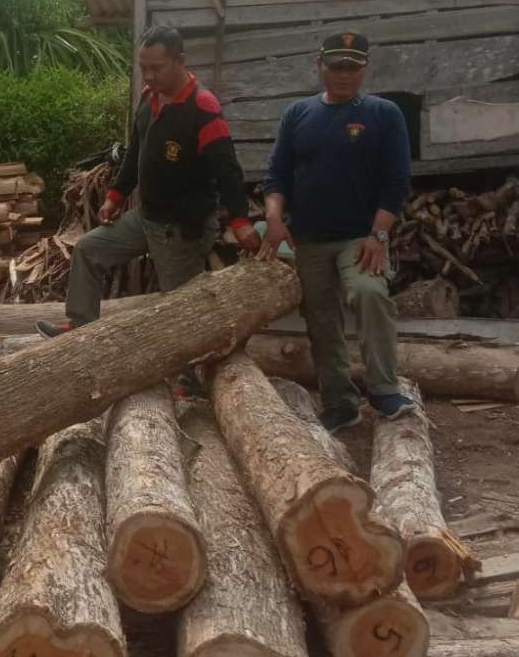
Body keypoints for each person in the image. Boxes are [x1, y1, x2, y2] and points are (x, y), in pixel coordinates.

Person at [36, 25, 260, 343]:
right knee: (88, 249)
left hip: (182, 229)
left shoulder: (202, 109)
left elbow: (227, 170)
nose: (148, 75)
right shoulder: (148, 98)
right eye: (143, 68)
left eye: (156, 68)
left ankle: (192, 375)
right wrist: (115, 195)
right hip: (146, 217)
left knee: (183, 307)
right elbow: (136, 153)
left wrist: (240, 220)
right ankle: (80, 329)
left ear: (180, 61)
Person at [258, 31, 416, 431]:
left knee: (370, 293)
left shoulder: (384, 114)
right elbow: (276, 175)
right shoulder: (298, 114)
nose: (344, 74)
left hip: (359, 237)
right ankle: (339, 401)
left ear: (365, 68)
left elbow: (396, 181)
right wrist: (274, 219)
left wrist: (379, 235)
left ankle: (383, 389)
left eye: (353, 67)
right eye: (336, 66)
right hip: (308, 238)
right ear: (320, 65)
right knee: (321, 317)